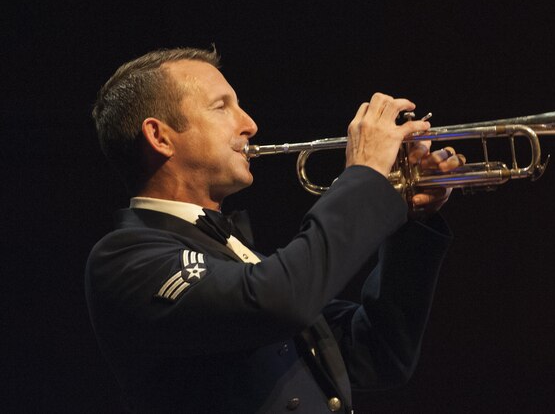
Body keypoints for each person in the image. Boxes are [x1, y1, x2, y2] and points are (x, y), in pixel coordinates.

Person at [86, 47, 464, 412]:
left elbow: (378, 353)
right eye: (222, 107)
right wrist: (363, 177)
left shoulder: (243, 260)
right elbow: (280, 298)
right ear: (160, 137)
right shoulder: (126, 258)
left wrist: (412, 223)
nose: (250, 124)